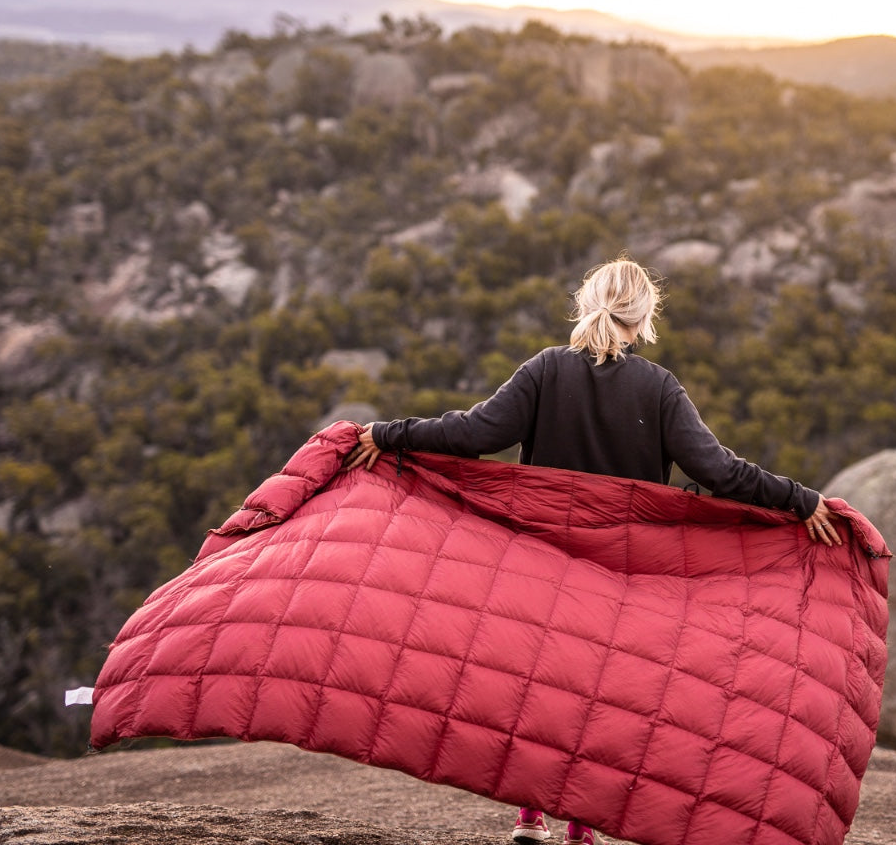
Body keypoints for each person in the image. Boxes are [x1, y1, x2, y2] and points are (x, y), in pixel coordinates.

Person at [347, 257, 842, 845]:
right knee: (601, 695)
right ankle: (581, 826)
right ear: (645, 317)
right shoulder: (658, 387)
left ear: (585, 303)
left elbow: (473, 434)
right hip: (624, 567)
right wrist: (799, 499)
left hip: (542, 556)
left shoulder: (546, 370)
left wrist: (387, 433)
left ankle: (530, 818)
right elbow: (719, 471)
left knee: (539, 686)